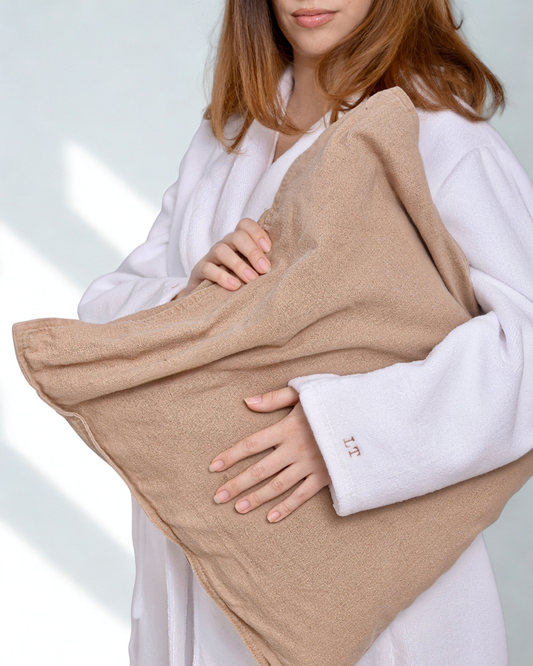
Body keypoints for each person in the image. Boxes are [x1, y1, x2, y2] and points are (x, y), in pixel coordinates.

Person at [77, 0, 533, 664]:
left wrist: (343, 433)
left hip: (365, 596)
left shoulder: (439, 135)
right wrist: (191, 294)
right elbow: (103, 312)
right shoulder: (227, 137)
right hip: (199, 577)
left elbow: (526, 346)